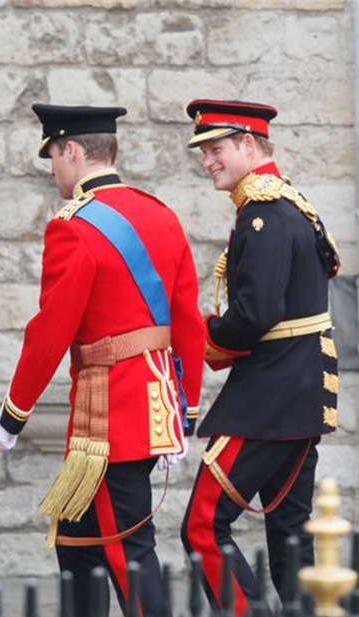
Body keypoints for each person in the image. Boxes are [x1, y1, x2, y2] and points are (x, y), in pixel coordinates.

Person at [0, 103, 206, 617]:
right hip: (149, 405)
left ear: (72, 151)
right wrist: (184, 410)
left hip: (106, 417)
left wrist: (13, 413)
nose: (52, 170)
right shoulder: (161, 214)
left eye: (53, 157)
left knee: (129, 550)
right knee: (76, 544)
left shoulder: (72, 227)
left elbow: (49, 333)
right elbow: (189, 324)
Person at [180, 99, 341, 617]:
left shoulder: (264, 214)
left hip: (269, 396)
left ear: (249, 145)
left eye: (217, 148)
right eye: (203, 150)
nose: (208, 159)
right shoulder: (290, 202)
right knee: (290, 529)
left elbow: (256, 312)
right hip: (301, 393)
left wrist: (205, 338)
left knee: (203, 523)